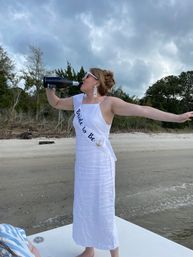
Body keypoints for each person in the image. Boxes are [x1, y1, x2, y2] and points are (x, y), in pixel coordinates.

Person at [46, 68, 193, 257]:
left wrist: (177, 118)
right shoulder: (77, 101)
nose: (82, 79)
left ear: (97, 81)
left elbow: (143, 110)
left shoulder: (109, 103)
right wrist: (50, 88)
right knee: (84, 204)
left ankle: (115, 254)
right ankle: (89, 249)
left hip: (101, 164)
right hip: (83, 164)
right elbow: (56, 103)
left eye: (86, 76)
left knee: (103, 207)